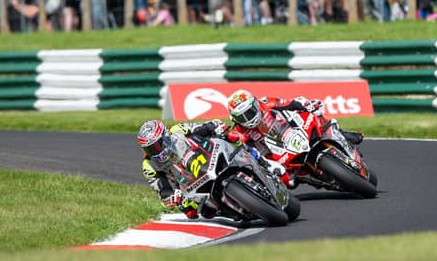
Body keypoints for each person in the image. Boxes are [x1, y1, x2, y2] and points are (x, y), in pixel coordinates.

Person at [226, 89, 364, 188]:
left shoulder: (266, 103)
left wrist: (308, 105)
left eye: (250, 112)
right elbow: (248, 153)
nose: (248, 118)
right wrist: (268, 165)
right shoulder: (239, 133)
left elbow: (291, 103)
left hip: (290, 132)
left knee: (315, 113)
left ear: (255, 104)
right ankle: (307, 178)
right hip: (274, 154)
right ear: (235, 119)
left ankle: (340, 132)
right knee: (288, 182)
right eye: (241, 117)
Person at [137, 118, 243, 219]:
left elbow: (203, 128)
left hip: (206, 157)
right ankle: (230, 210)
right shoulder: (149, 165)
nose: (156, 151)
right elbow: (163, 190)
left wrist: (216, 127)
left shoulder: (177, 130)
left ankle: (250, 155)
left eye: (157, 146)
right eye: (150, 149)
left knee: (231, 137)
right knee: (192, 212)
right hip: (188, 185)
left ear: (165, 136)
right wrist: (171, 197)